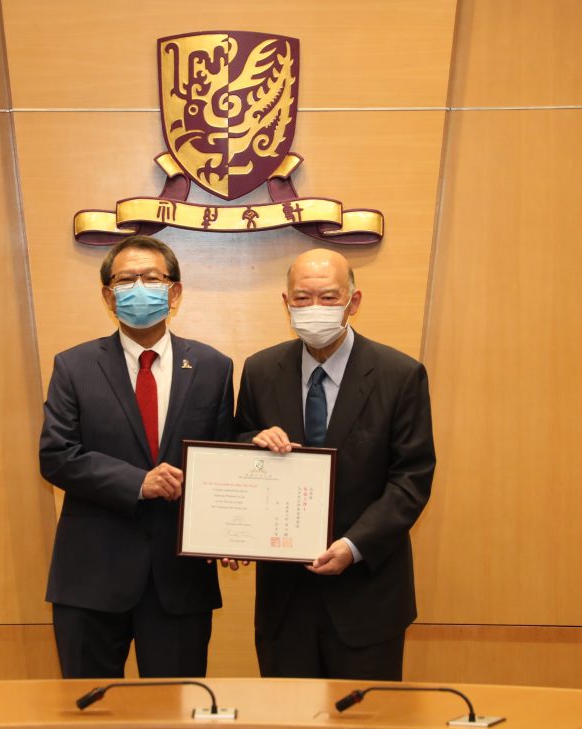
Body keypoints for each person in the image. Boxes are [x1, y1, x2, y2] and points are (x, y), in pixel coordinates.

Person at [235, 248, 435, 680]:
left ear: (353, 301)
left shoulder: (400, 375)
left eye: (328, 298)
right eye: (302, 299)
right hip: (284, 602)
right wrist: (253, 443)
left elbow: (411, 480)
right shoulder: (260, 370)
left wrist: (353, 546)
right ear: (286, 304)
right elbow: (236, 449)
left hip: (367, 596)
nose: (314, 309)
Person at [39, 235, 234, 678]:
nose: (139, 287)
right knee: (86, 714)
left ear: (176, 291)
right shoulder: (74, 366)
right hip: (90, 577)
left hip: (179, 583)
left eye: (152, 278)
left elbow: (221, 459)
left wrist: (229, 533)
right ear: (109, 296)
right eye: (126, 280)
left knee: (174, 715)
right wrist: (136, 482)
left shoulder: (213, 367)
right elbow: (56, 455)